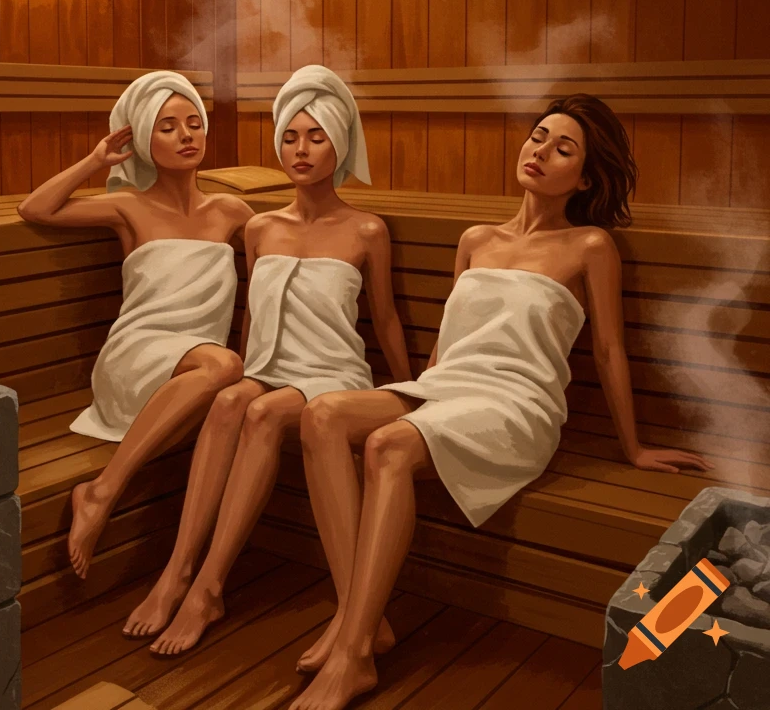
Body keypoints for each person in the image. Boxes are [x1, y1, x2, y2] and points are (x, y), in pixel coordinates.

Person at [289, 93, 715, 710]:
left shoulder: (590, 246)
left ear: (585, 178)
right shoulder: (476, 239)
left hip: (517, 405)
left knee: (387, 447)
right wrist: (417, 396)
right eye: (538, 136)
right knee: (323, 414)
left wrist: (635, 448)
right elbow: (448, 343)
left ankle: (353, 654)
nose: (541, 151)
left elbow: (608, 351)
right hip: (447, 387)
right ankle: (362, 616)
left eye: (563, 149)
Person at [130, 65, 412, 653]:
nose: (301, 150)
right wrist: (240, 367)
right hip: (268, 370)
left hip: (333, 374)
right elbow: (253, 318)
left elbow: (384, 318)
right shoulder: (259, 229)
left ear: (340, 144)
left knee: (258, 412)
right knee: (231, 400)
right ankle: (178, 571)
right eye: (290, 136)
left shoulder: (366, 230)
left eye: (316, 137)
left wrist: (411, 389)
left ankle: (207, 588)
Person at [16, 70, 252, 580]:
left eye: (194, 123)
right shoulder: (128, 207)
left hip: (193, 368)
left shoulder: (231, 211)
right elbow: (36, 209)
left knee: (223, 373)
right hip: (137, 355)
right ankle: (102, 492)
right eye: (167, 127)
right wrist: (94, 161)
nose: (186, 135)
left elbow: (275, 261)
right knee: (224, 366)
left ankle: (112, 501)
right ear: (143, 139)